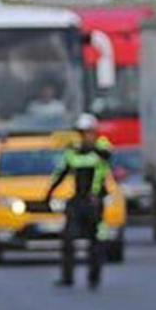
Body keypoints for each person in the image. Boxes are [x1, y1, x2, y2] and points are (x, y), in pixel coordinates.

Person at [45, 113, 112, 289]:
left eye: (88, 132)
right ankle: (67, 277)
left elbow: (106, 154)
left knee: (97, 242)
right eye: (82, 133)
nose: (85, 136)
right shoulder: (72, 153)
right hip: (77, 201)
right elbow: (60, 174)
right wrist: (49, 194)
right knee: (68, 239)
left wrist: (93, 147)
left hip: (95, 202)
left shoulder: (101, 149)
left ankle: (94, 278)